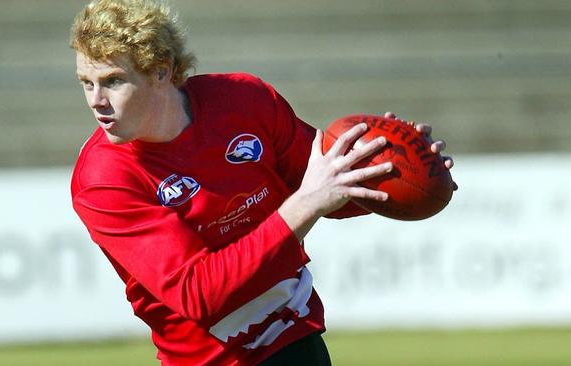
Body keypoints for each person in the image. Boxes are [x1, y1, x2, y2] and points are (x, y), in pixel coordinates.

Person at [69, 1, 455, 365]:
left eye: (113, 81)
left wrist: (397, 170)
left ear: (161, 70)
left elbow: (329, 185)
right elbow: (199, 293)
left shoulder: (243, 100)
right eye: (86, 82)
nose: (96, 100)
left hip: (297, 340)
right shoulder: (103, 179)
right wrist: (306, 204)